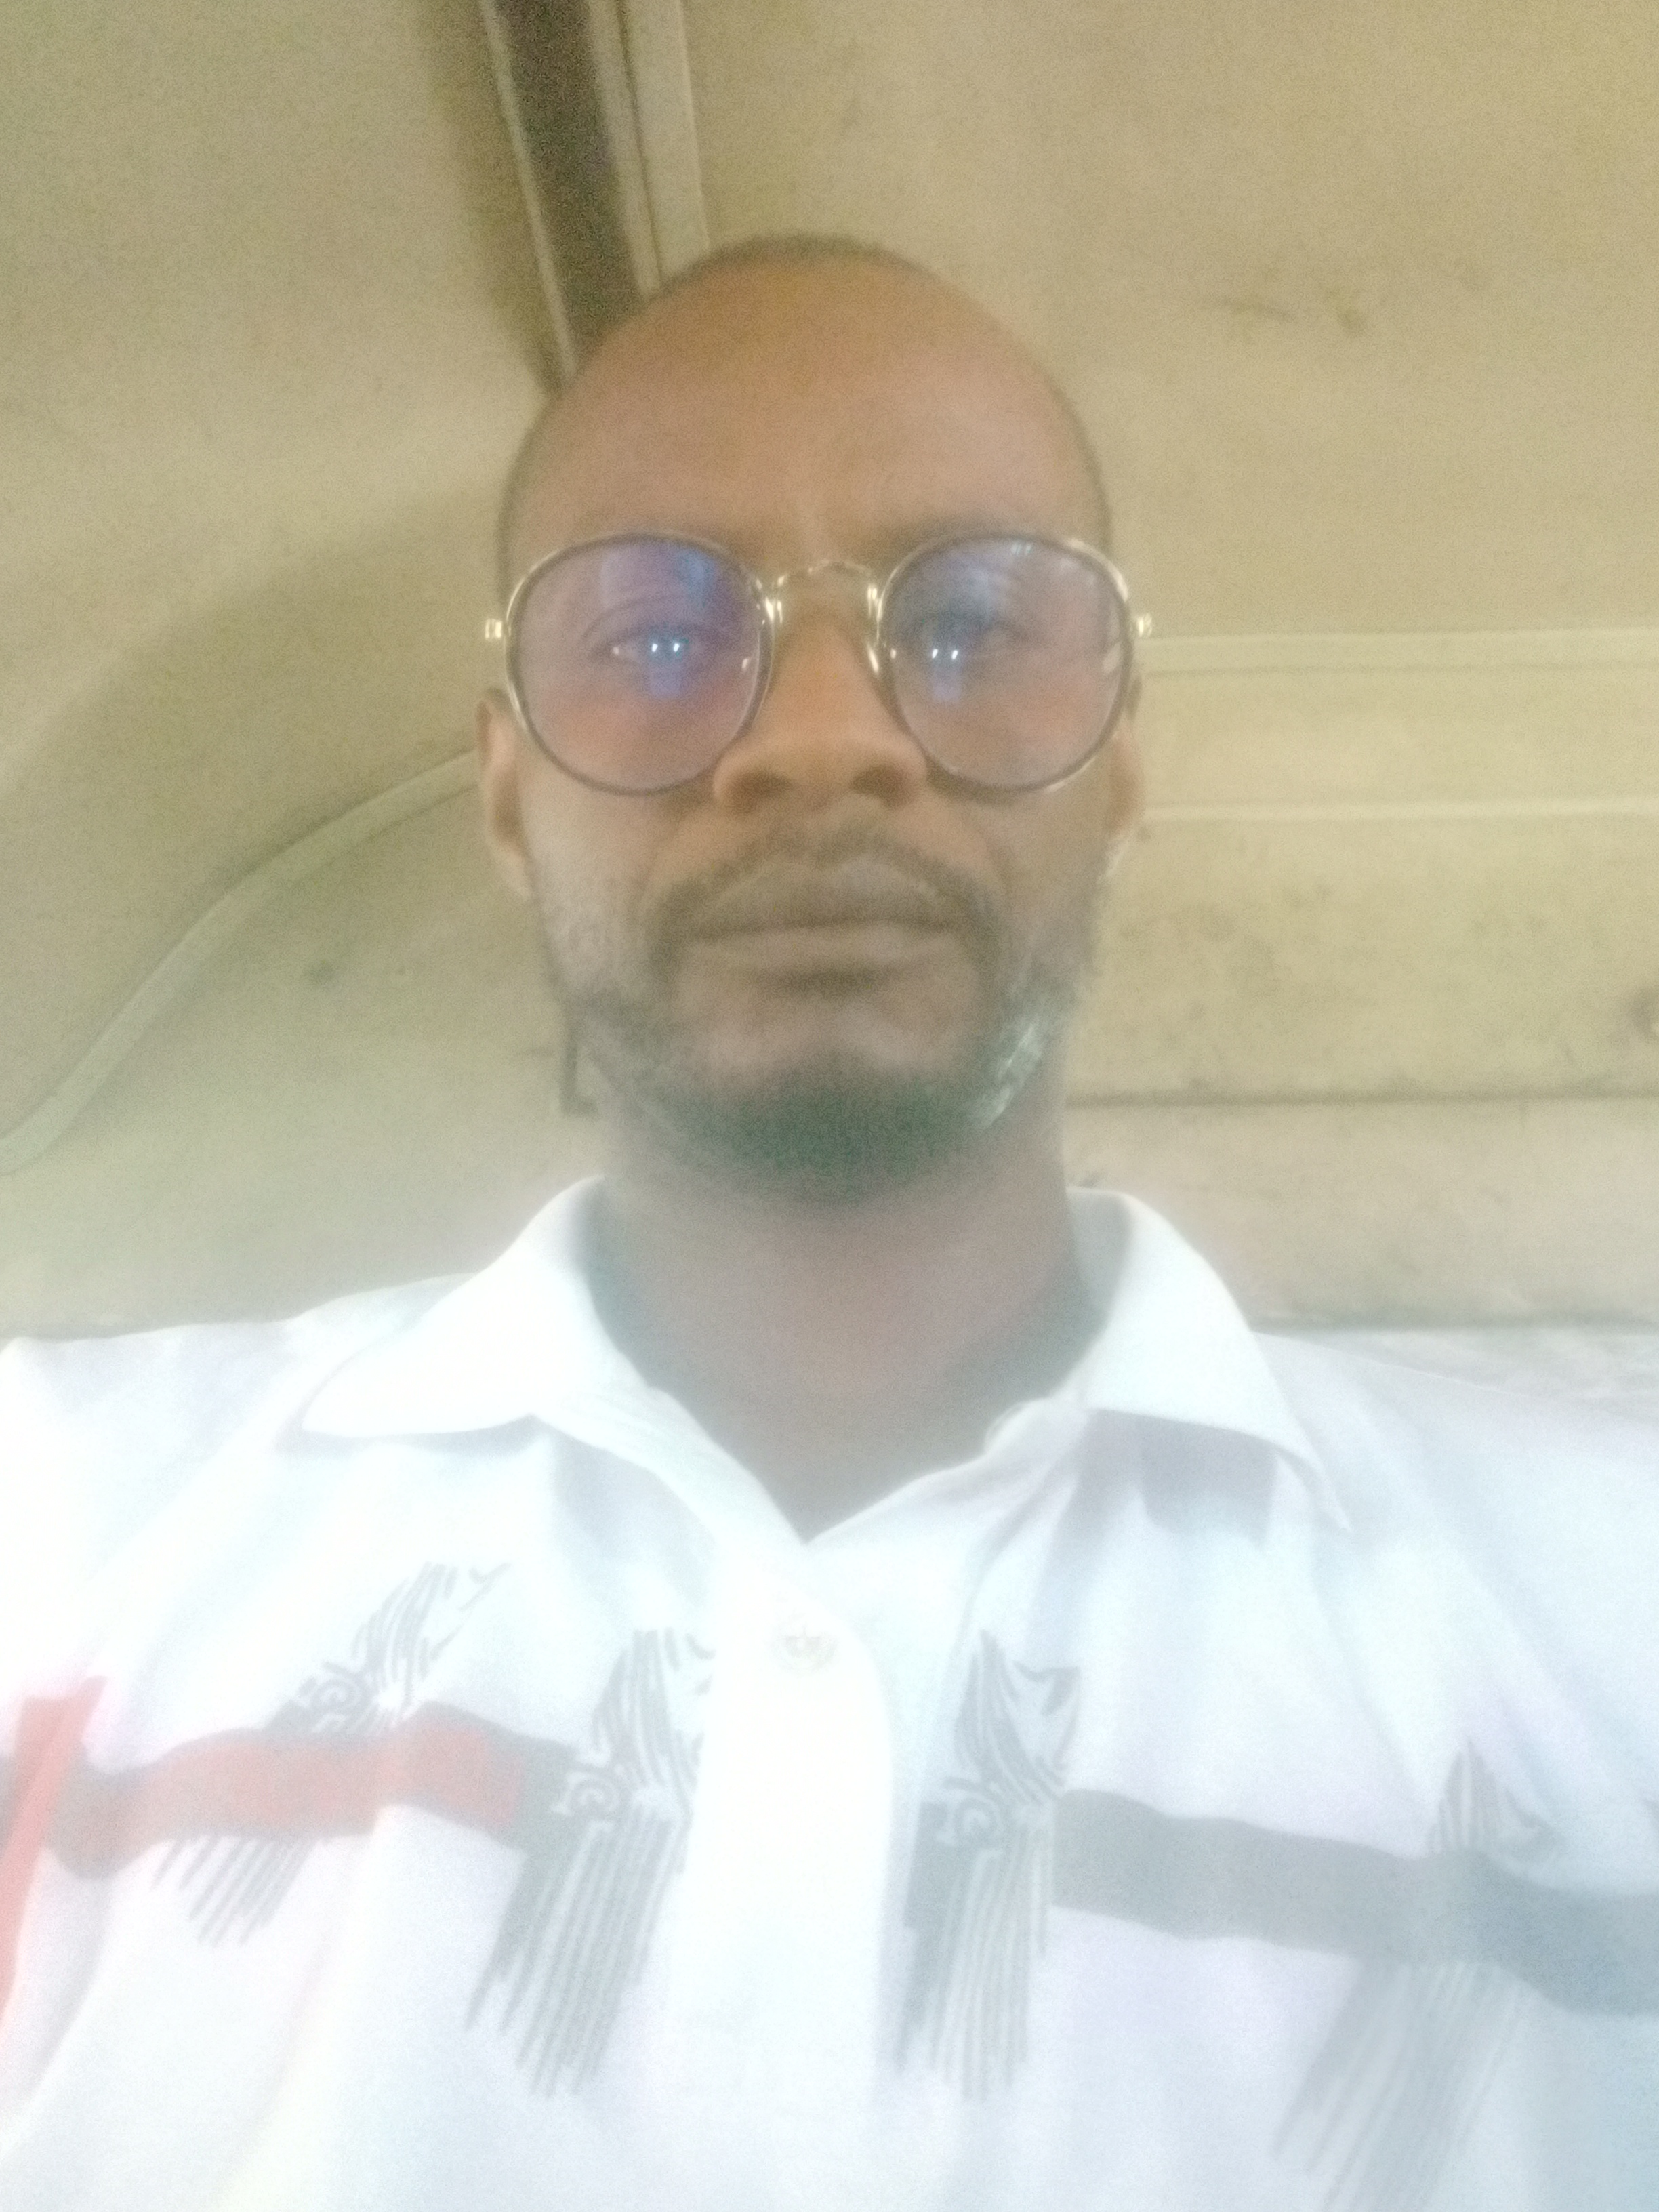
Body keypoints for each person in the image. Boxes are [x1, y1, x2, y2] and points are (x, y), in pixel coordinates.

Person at [1, 239, 1655, 2212]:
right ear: (508, 792)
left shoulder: (1603, 1602)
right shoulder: (62, 1525)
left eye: (969, 621)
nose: (818, 736)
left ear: (1121, 760)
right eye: (651, 634)